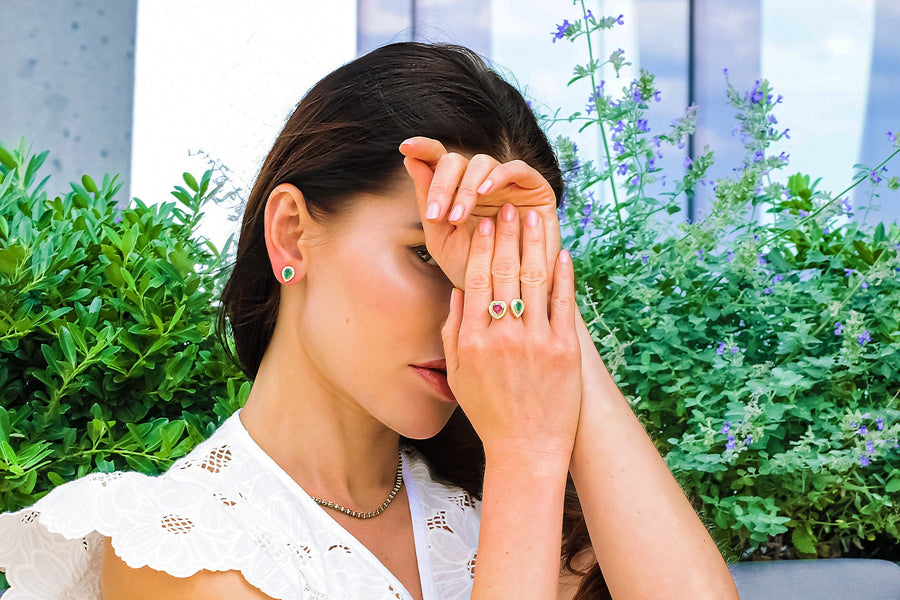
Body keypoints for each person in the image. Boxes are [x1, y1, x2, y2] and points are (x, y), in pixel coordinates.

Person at [0, 42, 739, 600]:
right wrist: (524, 453)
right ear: (292, 234)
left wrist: (544, 309)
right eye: (427, 255)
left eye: (494, 270)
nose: (472, 311)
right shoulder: (182, 545)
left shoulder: (489, 500)